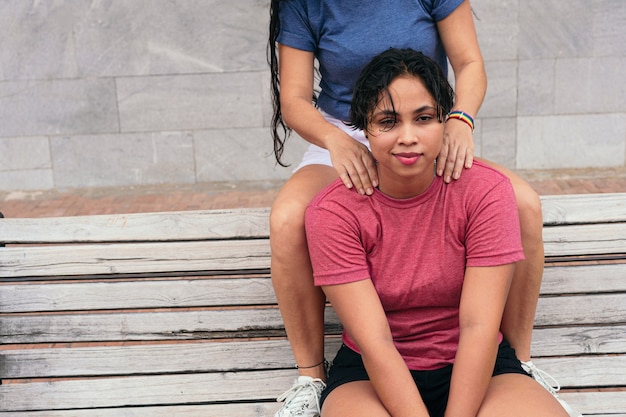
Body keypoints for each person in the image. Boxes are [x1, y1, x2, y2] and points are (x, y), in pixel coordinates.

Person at [267, 1, 578, 416]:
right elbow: (294, 99)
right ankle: (311, 377)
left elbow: (468, 62)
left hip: (427, 113)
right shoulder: (305, 5)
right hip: (341, 131)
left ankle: (518, 361)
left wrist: (459, 119)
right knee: (290, 219)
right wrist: (337, 141)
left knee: (521, 202)